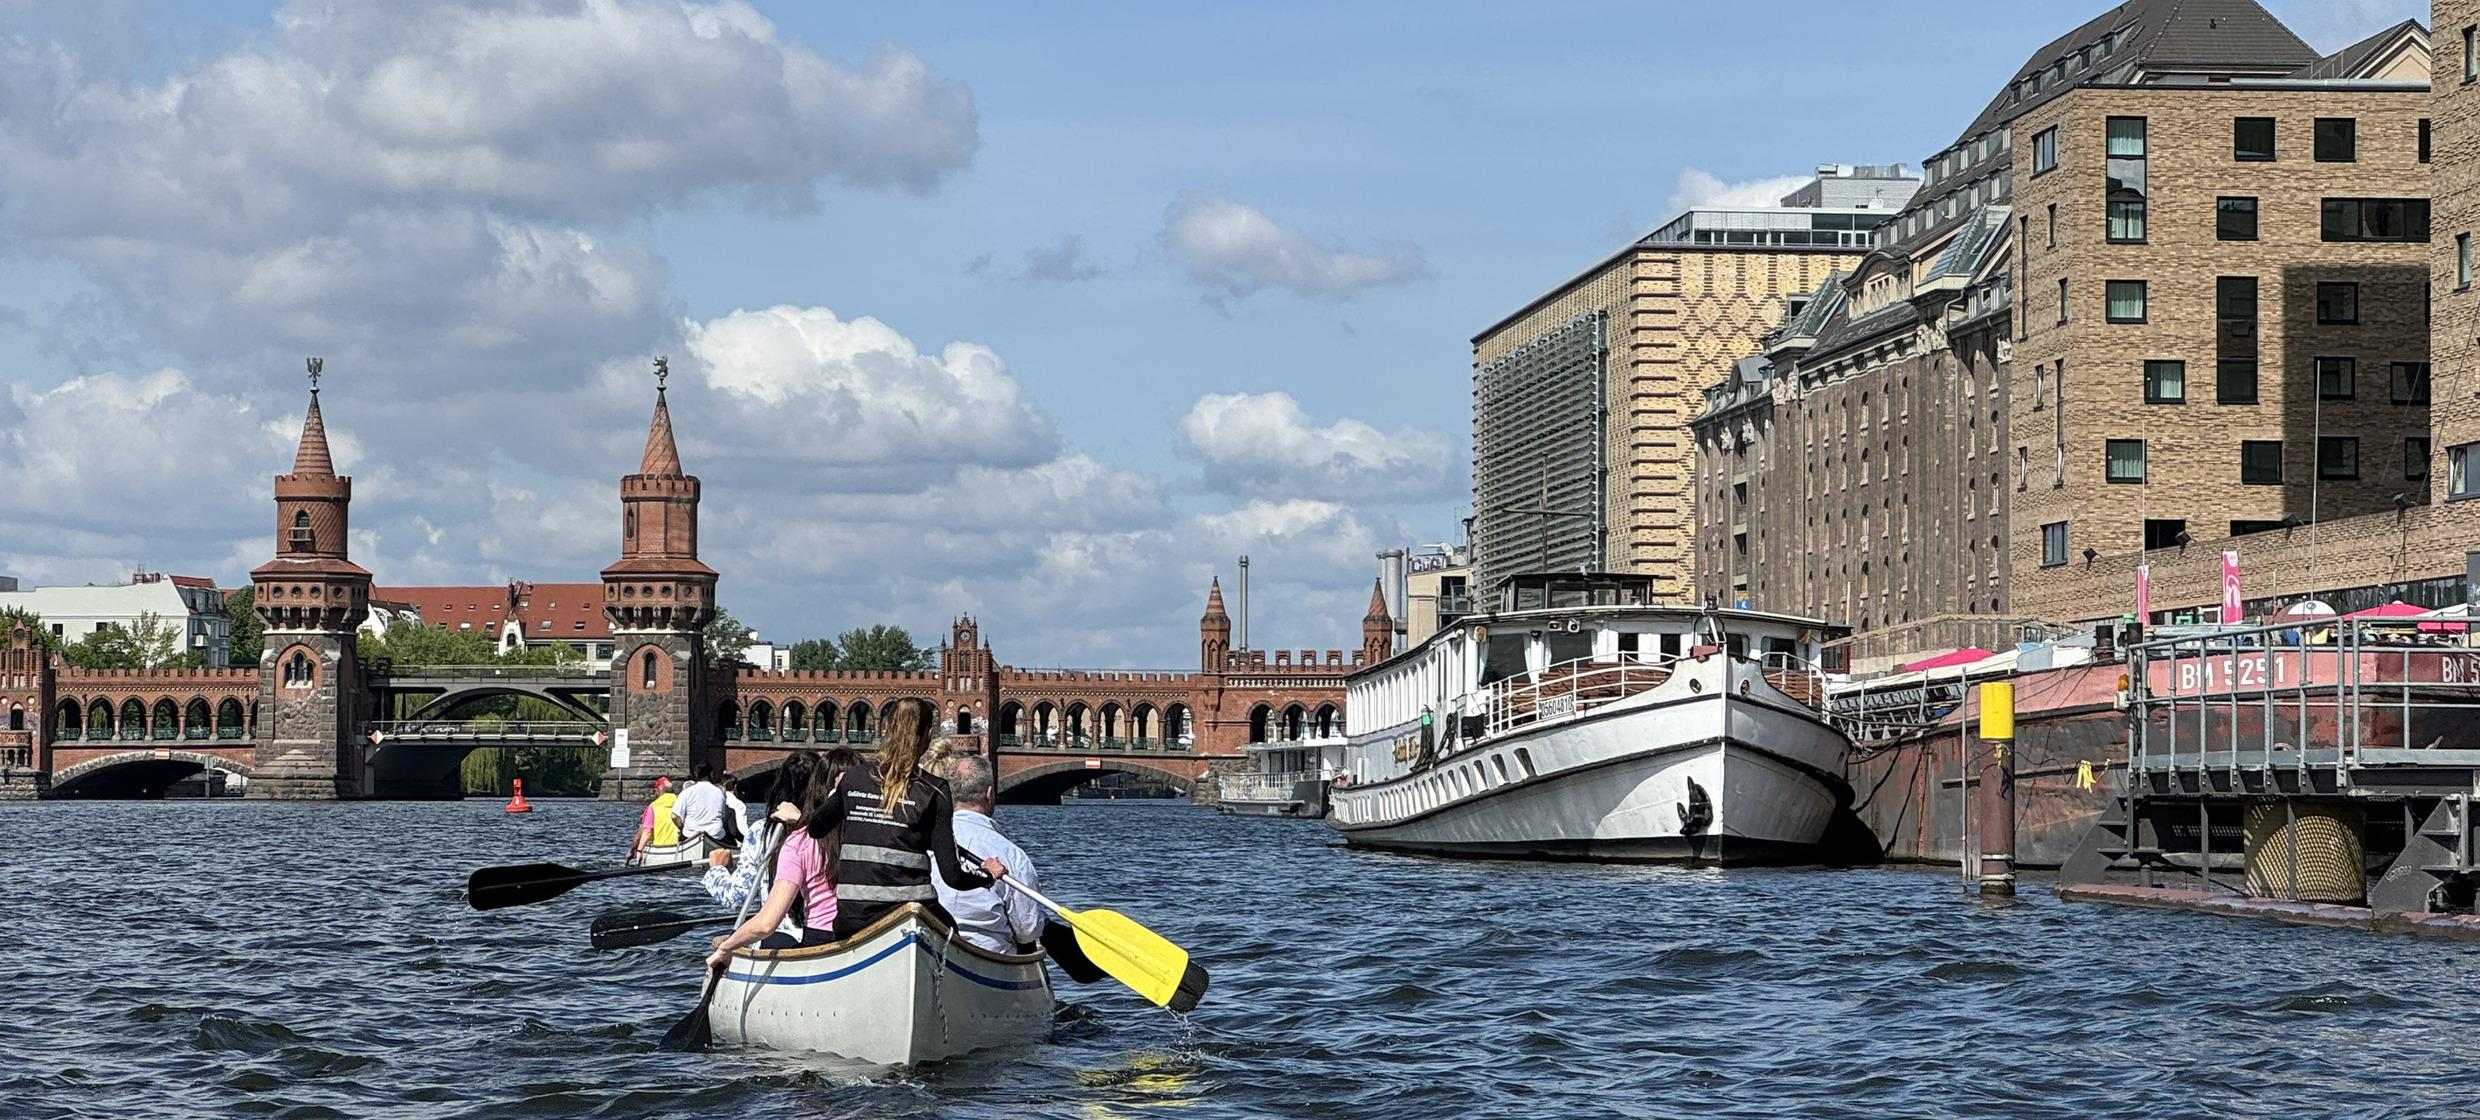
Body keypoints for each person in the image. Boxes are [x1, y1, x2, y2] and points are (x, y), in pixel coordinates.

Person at [795, 698, 1003, 938]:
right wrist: (988, 874)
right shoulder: (935, 791)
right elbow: (953, 876)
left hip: (853, 919)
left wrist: (845, 799)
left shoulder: (854, 778)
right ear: (927, 735)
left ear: (888, 729)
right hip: (911, 914)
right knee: (950, 930)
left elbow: (816, 829)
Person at [706, 754, 848, 962]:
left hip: (778, 938)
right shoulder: (842, 829)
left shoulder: (761, 833)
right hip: (829, 936)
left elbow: (736, 897)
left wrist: (716, 871)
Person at [931, 754, 1044, 954]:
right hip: (990, 955)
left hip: (931, 946)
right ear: (989, 794)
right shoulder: (1012, 855)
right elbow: (1028, 931)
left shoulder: (921, 841)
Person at [672, 765, 736, 869]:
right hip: (716, 836)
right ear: (711, 774)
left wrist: (681, 827)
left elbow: (674, 815)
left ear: (696, 775)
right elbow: (723, 817)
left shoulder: (687, 792)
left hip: (691, 834)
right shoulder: (719, 792)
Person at [627, 776, 678, 863]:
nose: (655, 794)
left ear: (659, 790)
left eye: (655, 791)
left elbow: (647, 831)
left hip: (660, 848)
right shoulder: (680, 802)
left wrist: (637, 850)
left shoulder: (653, 806)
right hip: (678, 845)